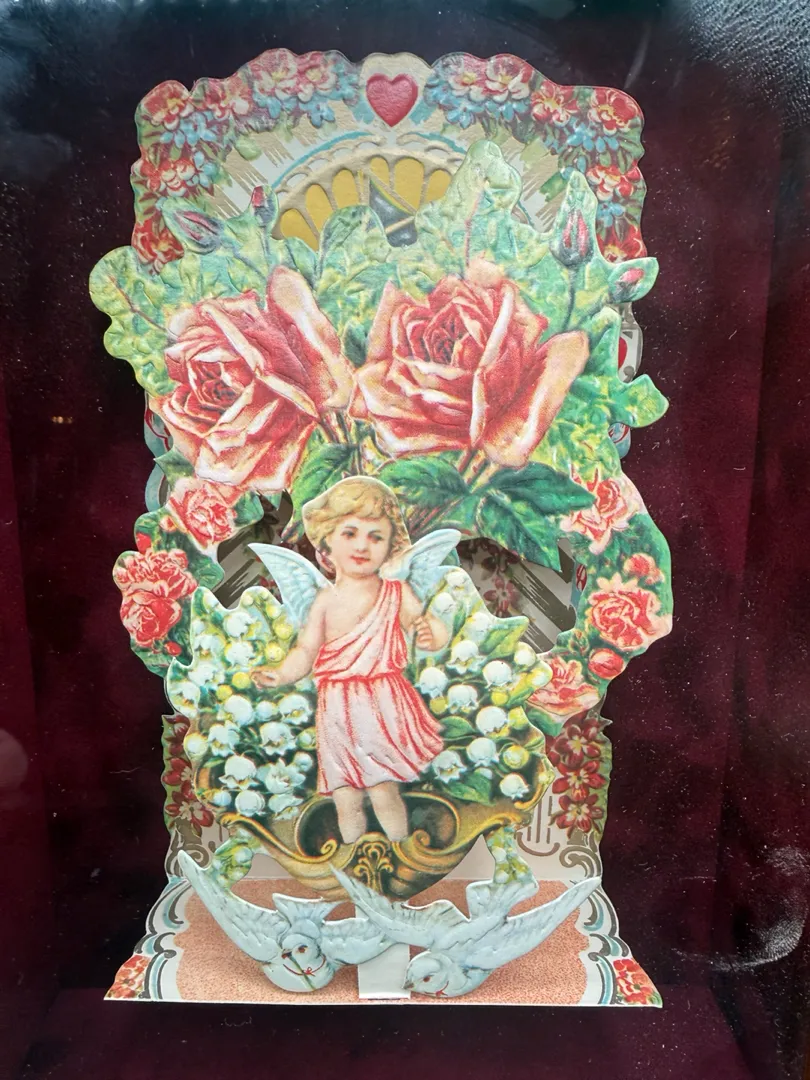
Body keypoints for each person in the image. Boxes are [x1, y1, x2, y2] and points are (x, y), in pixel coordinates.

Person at [252, 478, 448, 845]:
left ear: (391, 548)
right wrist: (280, 674)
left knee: (384, 790)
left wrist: (431, 633)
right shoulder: (324, 602)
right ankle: (354, 860)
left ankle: (400, 852)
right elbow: (305, 651)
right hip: (337, 710)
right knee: (345, 797)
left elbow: (428, 627)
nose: (362, 545)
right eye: (350, 533)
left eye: (376, 537)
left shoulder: (397, 592)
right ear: (326, 542)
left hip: (381, 703)